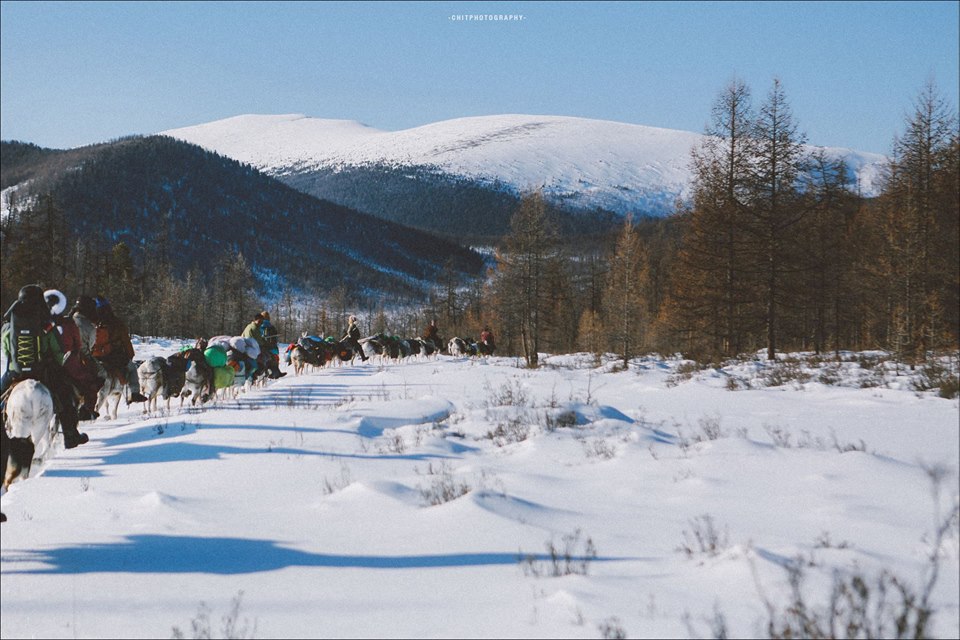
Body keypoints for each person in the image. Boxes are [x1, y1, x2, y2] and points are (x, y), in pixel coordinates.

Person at [1, 284, 89, 448]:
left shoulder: (10, 325)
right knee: (66, 395)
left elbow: (6, 350)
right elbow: (58, 351)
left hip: (15, 373)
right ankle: (70, 434)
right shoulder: (47, 325)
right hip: (43, 372)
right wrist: (57, 364)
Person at [44, 289, 102, 421]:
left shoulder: (39, 323)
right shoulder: (69, 324)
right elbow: (78, 345)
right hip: (68, 362)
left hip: (43, 362)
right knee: (90, 382)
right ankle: (87, 410)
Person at [91, 296, 147, 403]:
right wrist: (130, 356)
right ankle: (134, 393)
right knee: (132, 368)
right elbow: (126, 342)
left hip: (93, 356)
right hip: (113, 357)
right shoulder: (117, 323)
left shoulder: (91, 323)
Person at [259, 311, 286, 379]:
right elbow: (275, 338)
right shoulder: (271, 326)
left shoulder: (259, 326)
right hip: (271, 347)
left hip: (260, 347)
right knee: (275, 358)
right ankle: (277, 372)